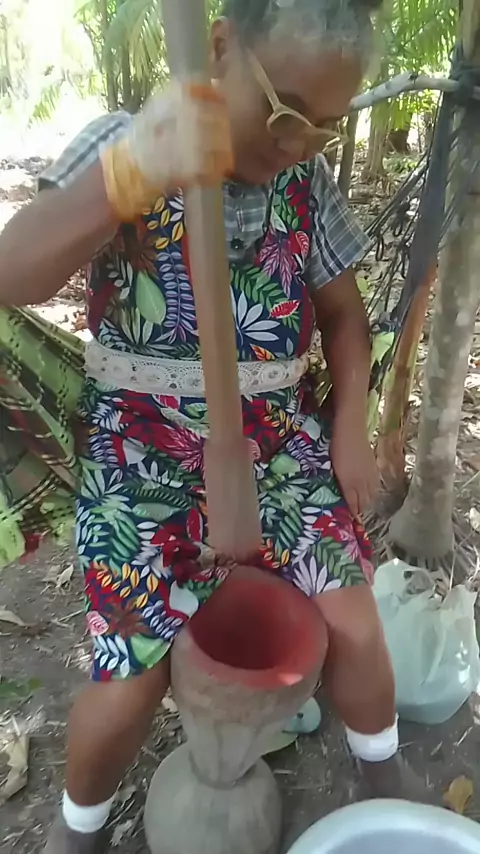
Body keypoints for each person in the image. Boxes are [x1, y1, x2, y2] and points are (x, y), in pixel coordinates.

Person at [0, 1, 431, 851]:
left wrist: (347, 428)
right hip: (140, 453)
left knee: (353, 624)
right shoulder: (126, 141)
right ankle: (78, 828)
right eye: (284, 112)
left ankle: (381, 770)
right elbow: (13, 272)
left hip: (278, 443)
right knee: (131, 679)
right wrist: (132, 172)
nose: (299, 142)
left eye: (325, 125)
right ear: (221, 46)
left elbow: (344, 317)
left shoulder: (305, 184)